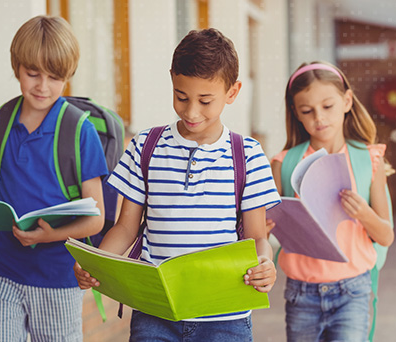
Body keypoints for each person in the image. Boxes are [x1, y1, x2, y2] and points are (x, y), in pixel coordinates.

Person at [74, 28, 281, 341]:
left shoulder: (248, 155)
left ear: (232, 92)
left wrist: (264, 262)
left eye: (205, 100)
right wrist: (99, 265)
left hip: (225, 318)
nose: (191, 111)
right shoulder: (146, 146)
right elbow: (126, 228)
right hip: (155, 313)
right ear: (172, 80)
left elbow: (255, 237)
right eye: (181, 96)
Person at [0, 15, 108, 342]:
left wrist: (47, 236)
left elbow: (96, 218)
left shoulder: (79, 131)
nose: (42, 86)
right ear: (17, 67)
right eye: (33, 74)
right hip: (3, 270)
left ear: (68, 76)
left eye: (54, 77)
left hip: (58, 277)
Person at [270, 61, 395, 341]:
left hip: (352, 291)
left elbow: (386, 236)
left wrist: (363, 214)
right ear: (296, 113)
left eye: (328, 106)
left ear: (347, 101)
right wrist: (267, 226)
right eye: (307, 111)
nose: (319, 118)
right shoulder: (283, 163)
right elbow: (269, 229)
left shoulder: (368, 160)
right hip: (301, 292)